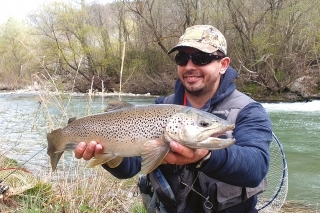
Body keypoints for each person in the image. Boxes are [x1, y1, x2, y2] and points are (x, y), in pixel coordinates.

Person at [74, 25, 272, 213]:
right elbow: (132, 166)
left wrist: (206, 156)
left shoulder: (249, 111)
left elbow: (256, 167)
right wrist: (109, 156)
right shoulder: (158, 107)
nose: (189, 66)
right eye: (182, 58)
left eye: (201, 58)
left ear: (223, 65)